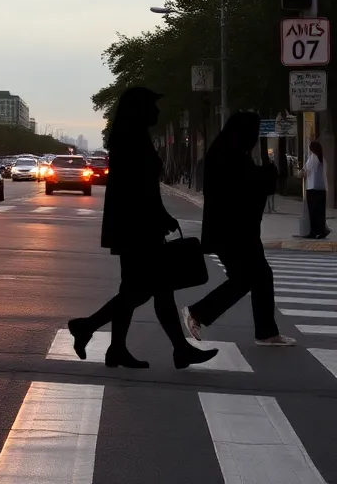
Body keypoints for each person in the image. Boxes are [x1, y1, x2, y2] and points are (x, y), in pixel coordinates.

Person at [67, 86, 218, 369]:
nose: (157, 112)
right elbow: (139, 189)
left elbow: (145, 188)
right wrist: (161, 216)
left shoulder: (133, 136)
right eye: (152, 106)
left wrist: (162, 216)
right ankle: (88, 327)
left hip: (137, 226)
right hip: (137, 228)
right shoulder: (131, 138)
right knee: (144, 290)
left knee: (152, 289)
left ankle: (119, 348)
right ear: (139, 109)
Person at [182, 112, 296, 346]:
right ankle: (199, 313)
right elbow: (243, 186)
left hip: (234, 233)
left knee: (255, 278)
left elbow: (246, 183)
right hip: (233, 234)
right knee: (250, 278)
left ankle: (265, 333)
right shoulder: (229, 156)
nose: (253, 139)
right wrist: (268, 174)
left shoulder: (226, 152)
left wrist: (263, 175)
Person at [304, 141, 329, 239]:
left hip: (312, 188)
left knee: (313, 212)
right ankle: (322, 231)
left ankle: (313, 232)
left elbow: (306, 171)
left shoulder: (312, 158)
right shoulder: (322, 158)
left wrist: (299, 173)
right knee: (321, 212)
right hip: (322, 188)